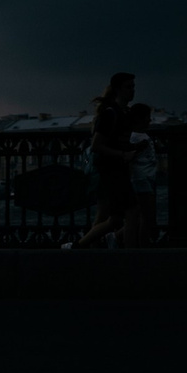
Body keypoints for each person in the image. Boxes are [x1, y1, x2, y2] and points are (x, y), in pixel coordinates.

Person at [67, 71, 150, 249]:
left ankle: (78, 246)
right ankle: (129, 254)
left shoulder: (124, 113)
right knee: (132, 213)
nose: (132, 91)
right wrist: (122, 154)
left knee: (115, 219)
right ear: (118, 89)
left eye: (133, 87)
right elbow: (97, 145)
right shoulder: (110, 114)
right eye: (129, 87)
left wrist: (134, 148)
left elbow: (119, 143)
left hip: (118, 170)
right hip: (111, 171)